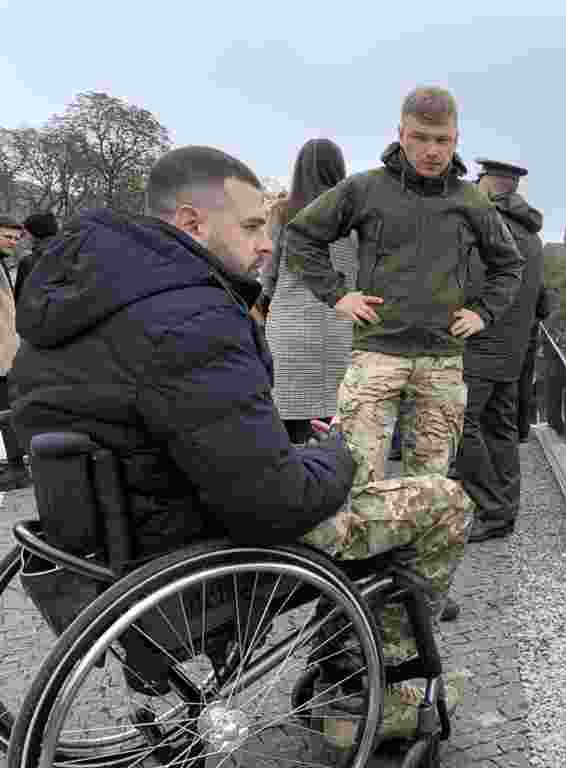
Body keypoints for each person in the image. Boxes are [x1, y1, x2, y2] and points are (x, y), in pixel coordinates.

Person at [9, 145, 471, 744]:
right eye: (252, 226)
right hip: (202, 546)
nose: (266, 245)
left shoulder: (66, 312)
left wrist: (287, 453)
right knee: (442, 501)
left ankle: (342, 653)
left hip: (108, 547)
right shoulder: (193, 316)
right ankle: (373, 688)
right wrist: (335, 456)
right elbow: (274, 504)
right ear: (191, 222)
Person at [284, 86, 523, 492]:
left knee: (429, 485)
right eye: (421, 138)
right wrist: (338, 295)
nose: (432, 150)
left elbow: (509, 265)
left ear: (456, 139)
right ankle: (363, 557)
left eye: (442, 140)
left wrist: (483, 313)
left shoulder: (471, 202)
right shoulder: (364, 189)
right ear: (401, 134)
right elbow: (301, 237)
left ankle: (413, 557)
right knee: (359, 477)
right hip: (377, 352)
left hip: (442, 359)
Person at [458, 158, 545, 543]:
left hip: (479, 344)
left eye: (479, 180)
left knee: (459, 428)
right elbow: (542, 300)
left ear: (491, 185)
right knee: (501, 430)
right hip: (513, 351)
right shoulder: (532, 235)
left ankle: (490, 507)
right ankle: (504, 510)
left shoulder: (488, 225)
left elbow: (472, 288)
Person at [261, 139, 357, 445]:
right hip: (338, 329)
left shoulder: (283, 213)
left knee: (286, 428)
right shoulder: (356, 218)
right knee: (331, 427)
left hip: (289, 331)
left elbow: (269, 277)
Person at [0, 213, 29, 490]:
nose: (12, 242)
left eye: (15, 238)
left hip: (6, 352)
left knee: (7, 410)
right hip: (4, 350)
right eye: (7, 236)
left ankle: (17, 468)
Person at [517, 284, 552, 442]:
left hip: (505, 342)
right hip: (528, 341)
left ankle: (507, 427)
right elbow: (544, 312)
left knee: (506, 384)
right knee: (524, 385)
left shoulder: (500, 275)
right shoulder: (537, 282)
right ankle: (522, 431)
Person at [15, 211, 60, 303]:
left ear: (35, 233)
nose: (22, 238)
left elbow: (20, 300)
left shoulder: (29, 262)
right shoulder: (75, 255)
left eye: (25, 233)